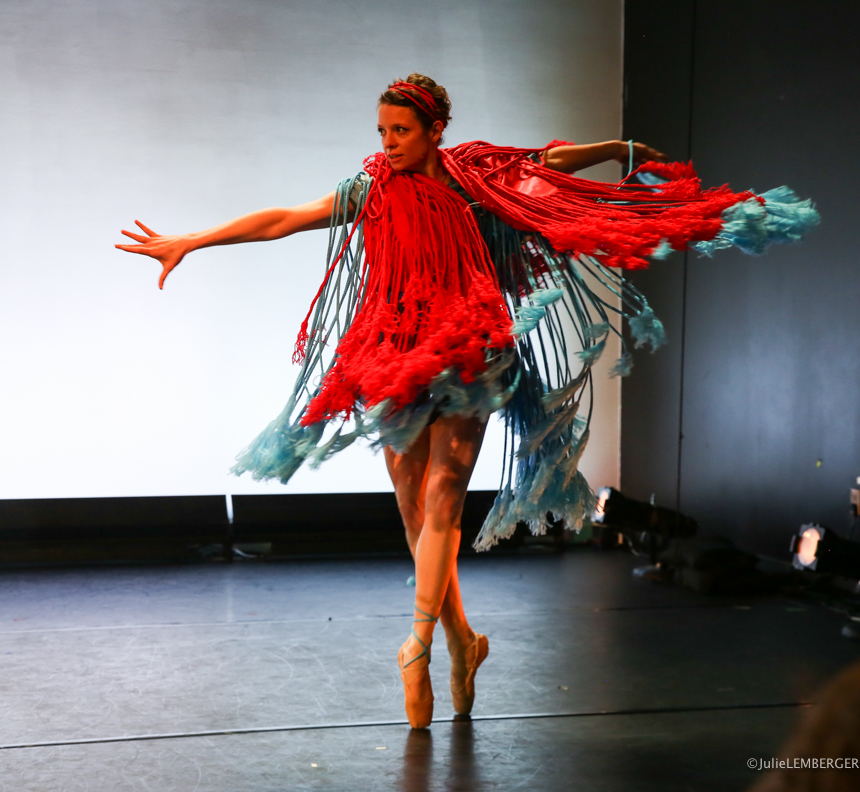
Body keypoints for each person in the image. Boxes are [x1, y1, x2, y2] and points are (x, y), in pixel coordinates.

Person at [117, 74, 818, 729]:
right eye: (382, 130)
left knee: (447, 490)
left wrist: (616, 148)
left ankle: (417, 646)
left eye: (400, 131)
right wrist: (191, 240)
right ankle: (464, 639)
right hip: (392, 350)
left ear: (435, 130)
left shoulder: (477, 175)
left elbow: (549, 164)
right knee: (416, 510)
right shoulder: (370, 189)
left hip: (468, 342)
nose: (387, 142)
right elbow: (284, 220)